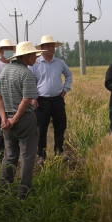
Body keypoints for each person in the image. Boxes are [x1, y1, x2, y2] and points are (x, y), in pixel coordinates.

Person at [0, 41, 45, 200]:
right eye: (34, 55)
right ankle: (24, 194)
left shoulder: (2, 72)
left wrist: (5, 119)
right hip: (23, 120)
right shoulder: (26, 74)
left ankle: (3, 190)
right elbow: (26, 100)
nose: (36, 58)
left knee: (10, 156)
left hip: (7, 121)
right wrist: (15, 119)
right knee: (27, 157)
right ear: (25, 56)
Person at [29, 35, 73, 165]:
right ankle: (41, 156)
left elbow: (69, 75)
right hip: (41, 101)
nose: (50, 48)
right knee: (41, 129)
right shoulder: (35, 64)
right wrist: (33, 97)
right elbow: (30, 81)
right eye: (47, 46)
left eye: (52, 46)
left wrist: (66, 88)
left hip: (58, 100)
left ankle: (59, 152)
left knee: (60, 126)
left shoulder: (60, 63)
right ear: (42, 48)